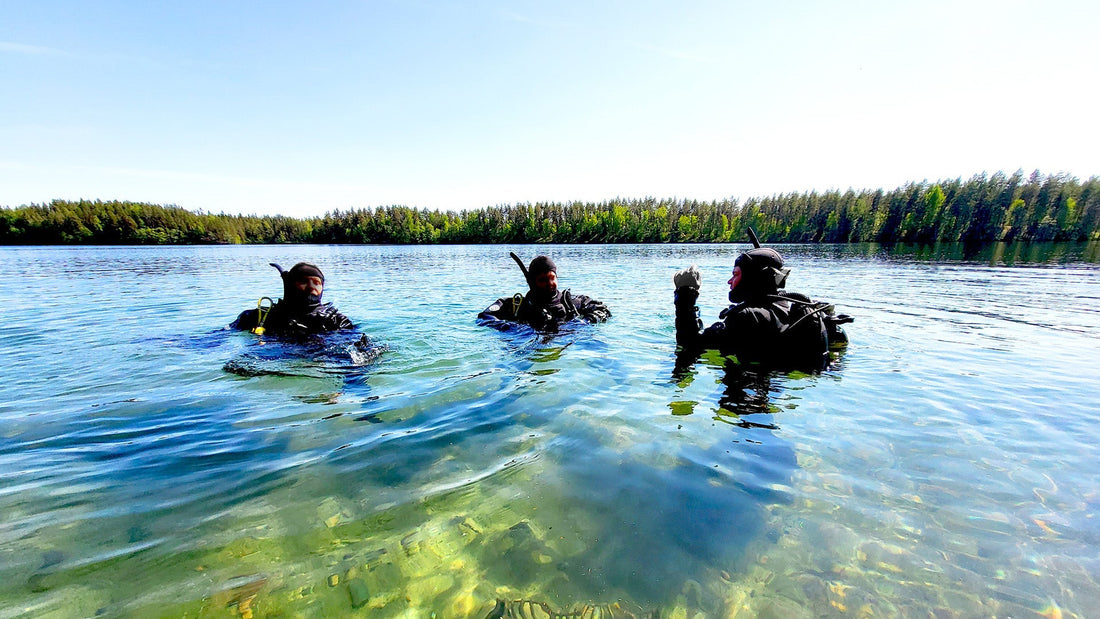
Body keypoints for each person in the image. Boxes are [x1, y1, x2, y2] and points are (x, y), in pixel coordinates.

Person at [672, 243, 852, 370]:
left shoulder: (745, 317)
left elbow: (690, 343)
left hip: (750, 389)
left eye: (736, 274)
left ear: (752, 279)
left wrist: (685, 294)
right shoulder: (784, 307)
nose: (730, 281)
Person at [478, 253, 611, 331]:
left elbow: (602, 309)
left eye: (552, 278)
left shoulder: (570, 303)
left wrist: (586, 321)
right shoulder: (517, 306)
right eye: (543, 280)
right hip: (527, 341)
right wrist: (512, 328)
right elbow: (484, 317)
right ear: (532, 282)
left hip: (568, 342)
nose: (549, 283)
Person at [230, 262, 354, 336]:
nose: (311, 287)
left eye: (316, 283)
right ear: (290, 285)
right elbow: (222, 338)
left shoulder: (336, 320)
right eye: (304, 281)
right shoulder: (259, 317)